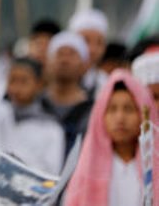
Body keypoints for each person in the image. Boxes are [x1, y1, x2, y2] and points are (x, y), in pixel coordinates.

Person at [63, 69, 159, 205]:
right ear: (100, 116)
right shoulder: (86, 170)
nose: (120, 118)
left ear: (143, 115)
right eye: (112, 109)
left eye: (129, 109)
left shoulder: (152, 165)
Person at [2, 57, 65, 175]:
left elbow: (52, 172)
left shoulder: (51, 128)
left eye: (23, 81)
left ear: (39, 84)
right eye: (12, 80)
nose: (16, 88)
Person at [41, 31, 94, 158]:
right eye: (59, 54)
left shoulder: (93, 111)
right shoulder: (35, 105)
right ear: (48, 63)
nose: (65, 60)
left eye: (72, 54)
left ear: (85, 65)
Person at [69, 9, 110, 95]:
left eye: (99, 42)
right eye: (86, 40)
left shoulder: (105, 82)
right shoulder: (59, 79)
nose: (93, 49)